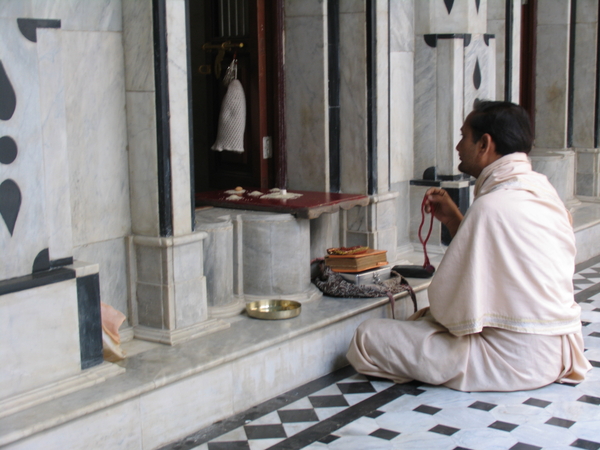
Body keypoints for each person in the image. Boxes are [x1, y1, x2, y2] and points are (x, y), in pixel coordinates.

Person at [347, 100, 591, 391]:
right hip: (559, 350)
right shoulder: (543, 191)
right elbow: (506, 266)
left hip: (513, 359)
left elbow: (450, 309)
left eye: (463, 136)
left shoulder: (490, 206)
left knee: (368, 337)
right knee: (419, 323)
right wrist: (455, 221)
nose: (458, 147)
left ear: (484, 144)